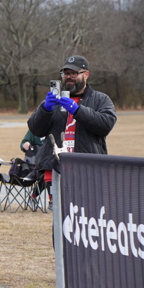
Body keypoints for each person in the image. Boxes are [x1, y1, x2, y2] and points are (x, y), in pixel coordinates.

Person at [27, 55, 116, 209]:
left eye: (73, 73)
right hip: (55, 169)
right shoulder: (53, 100)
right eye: (65, 73)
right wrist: (45, 109)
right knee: (59, 216)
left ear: (86, 75)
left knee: (87, 213)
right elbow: (35, 129)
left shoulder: (101, 99)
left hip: (87, 169)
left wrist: (77, 110)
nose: (68, 77)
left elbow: (105, 125)